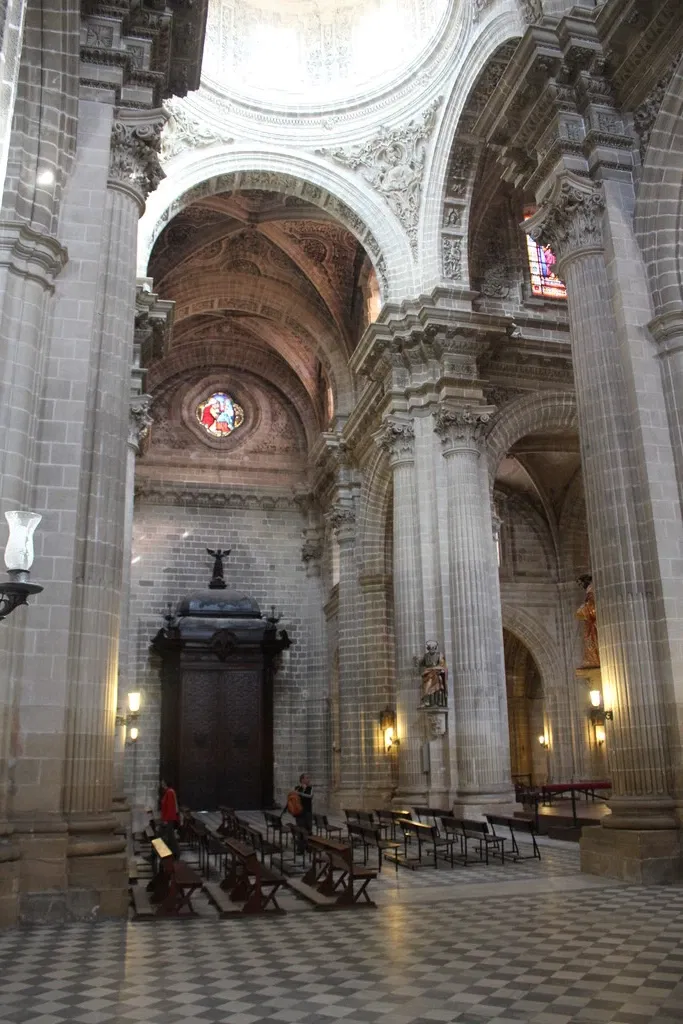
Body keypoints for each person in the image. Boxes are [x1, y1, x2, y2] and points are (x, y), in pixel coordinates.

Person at [159, 779, 181, 859]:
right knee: (165, 837)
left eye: (162, 782)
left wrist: (166, 820)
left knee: (170, 838)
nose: (161, 784)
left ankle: (174, 855)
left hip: (169, 820)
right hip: (167, 819)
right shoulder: (167, 792)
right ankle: (166, 855)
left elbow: (171, 808)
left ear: (165, 783)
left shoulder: (170, 792)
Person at [294, 773, 313, 846]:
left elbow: (310, 796)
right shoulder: (297, 788)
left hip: (308, 812)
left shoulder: (310, 788)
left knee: (308, 830)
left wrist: (301, 793)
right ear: (302, 780)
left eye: (309, 778)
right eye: (307, 778)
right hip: (299, 813)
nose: (309, 779)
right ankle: (300, 848)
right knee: (300, 830)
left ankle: (309, 847)